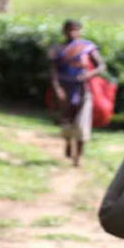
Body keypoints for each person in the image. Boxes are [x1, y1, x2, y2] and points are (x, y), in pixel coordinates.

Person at [49, 20, 106, 167]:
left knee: (82, 121)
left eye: (75, 30)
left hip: (83, 88)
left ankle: (78, 156)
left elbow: (101, 66)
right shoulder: (58, 48)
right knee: (67, 119)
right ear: (64, 31)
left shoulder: (87, 47)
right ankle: (68, 142)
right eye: (69, 30)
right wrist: (57, 88)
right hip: (65, 88)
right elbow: (53, 70)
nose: (72, 33)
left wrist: (89, 74)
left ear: (80, 31)